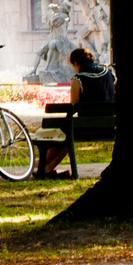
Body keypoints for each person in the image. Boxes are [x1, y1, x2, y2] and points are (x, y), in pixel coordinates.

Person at [36, 47, 116, 177]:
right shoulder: (109, 74)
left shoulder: (78, 80)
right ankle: (46, 167)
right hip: (108, 128)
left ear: (76, 63)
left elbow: (73, 108)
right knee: (67, 133)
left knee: (66, 133)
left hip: (85, 129)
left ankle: (43, 164)